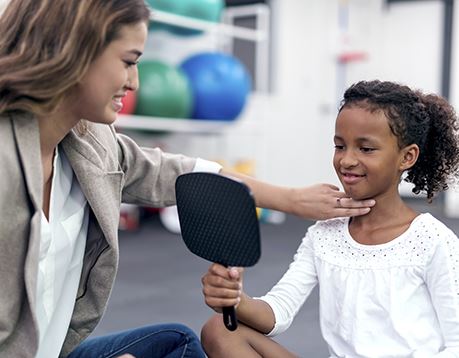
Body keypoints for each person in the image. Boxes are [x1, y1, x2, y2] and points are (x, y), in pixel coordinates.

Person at [0, 1, 376, 357]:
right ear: (74, 52)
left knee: (175, 342)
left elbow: (178, 173)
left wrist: (291, 199)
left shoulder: (90, 143)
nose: (135, 83)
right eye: (128, 62)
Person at [201, 80, 459, 357]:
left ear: (407, 157)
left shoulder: (432, 240)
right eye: (339, 146)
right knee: (220, 329)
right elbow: (279, 310)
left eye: (366, 149)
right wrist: (235, 300)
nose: (346, 160)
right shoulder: (325, 233)